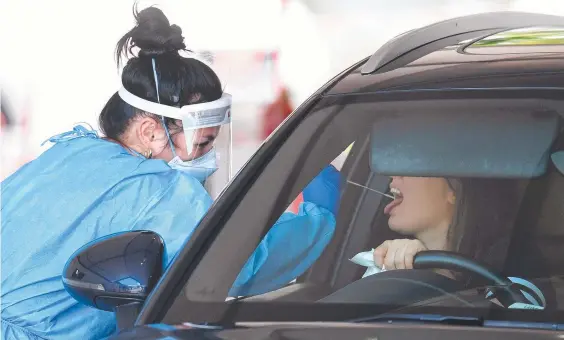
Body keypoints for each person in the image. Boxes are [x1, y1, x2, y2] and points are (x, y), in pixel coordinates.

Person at [0, 6, 340, 340]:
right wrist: (318, 219)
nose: (209, 156)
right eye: (204, 141)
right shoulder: (158, 190)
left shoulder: (65, 154)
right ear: (150, 132)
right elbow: (237, 264)